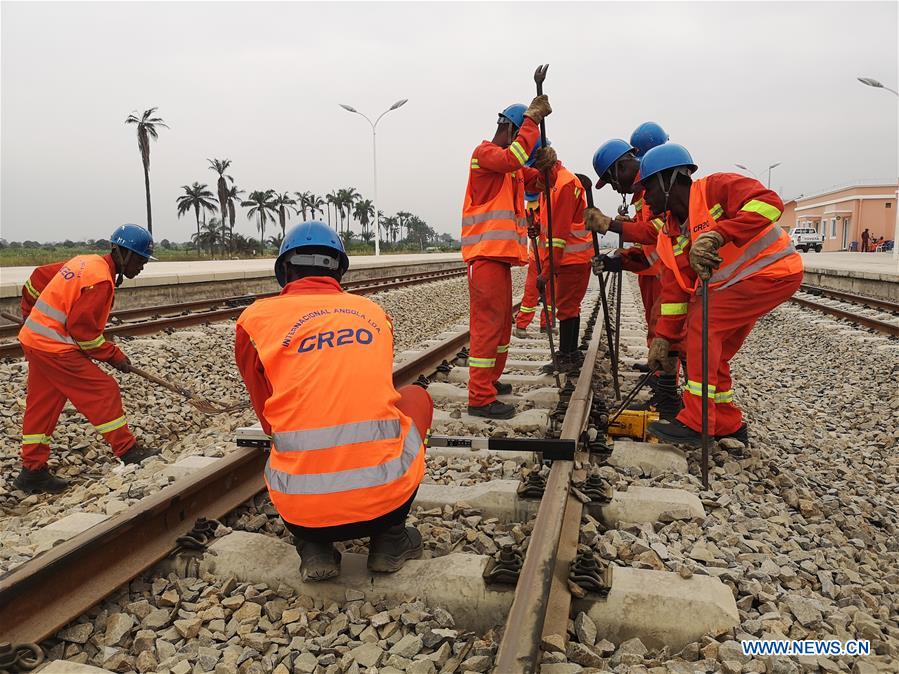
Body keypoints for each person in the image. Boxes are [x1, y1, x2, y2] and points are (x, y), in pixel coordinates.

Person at [235, 221, 434, 582]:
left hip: (302, 513)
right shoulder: (374, 314)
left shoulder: (254, 321)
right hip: (384, 505)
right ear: (339, 270)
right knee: (415, 397)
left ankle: (314, 549)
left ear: (285, 270)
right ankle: (391, 539)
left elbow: (269, 423)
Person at [636, 144, 803, 447]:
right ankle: (727, 422)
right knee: (717, 349)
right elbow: (675, 291)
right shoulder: (673, 230)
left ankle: (697, 422)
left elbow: (769, 203)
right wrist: (663, 339)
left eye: (648, 187)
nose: (646, 198)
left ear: (669, 179)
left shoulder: (716, 188)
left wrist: (719, 233)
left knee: (703, 324)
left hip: (771, 271)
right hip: (742, 282)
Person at [14, 225, 160, 494]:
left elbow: (38, 277)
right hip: (54, 347)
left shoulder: (85, 262)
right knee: (104, 390)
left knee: (43, 405)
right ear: (122, 253)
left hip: (35, 341)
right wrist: (114, 355)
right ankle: (128, 450)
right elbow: (84, 333)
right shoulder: (101, 280)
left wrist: (29, 316)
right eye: (140, 259)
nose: (141, 267)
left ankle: (32, 471)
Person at [462, 96, 558, 419]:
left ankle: (489, 381)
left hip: (498, 259)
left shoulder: (511, 169)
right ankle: (479, 397)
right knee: (488, 326)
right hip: (484, 258)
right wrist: (532, 120)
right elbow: (514, 158)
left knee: (502, 325)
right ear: (510, 128)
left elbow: (542, 183)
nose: (525, 155)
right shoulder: (485, 155)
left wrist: (549, 165)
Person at [584, 129, 681, 418]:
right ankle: (662, 382)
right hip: (656, 268)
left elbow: (655, 233)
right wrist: (619, 259)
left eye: (612, 180)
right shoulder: (644, 193)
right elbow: (650, 242)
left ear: (621, 167)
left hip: (667, 273)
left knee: (669, 329)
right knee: (659, 327)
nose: (615, 188)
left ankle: (668, 396)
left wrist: (612, 225)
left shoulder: (654, 189)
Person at [532, 154, 592, 373]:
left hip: (571, 258)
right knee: (570, 307)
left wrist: (547, 270)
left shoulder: (564, 184)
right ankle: (570, 352)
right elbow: (551, 223)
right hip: (569, 258)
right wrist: (537, 228)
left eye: (538, 173)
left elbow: (558, 234)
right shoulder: (555, 184)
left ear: (546, 169)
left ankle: (567, 355)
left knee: (566, 308)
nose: (536, 179)